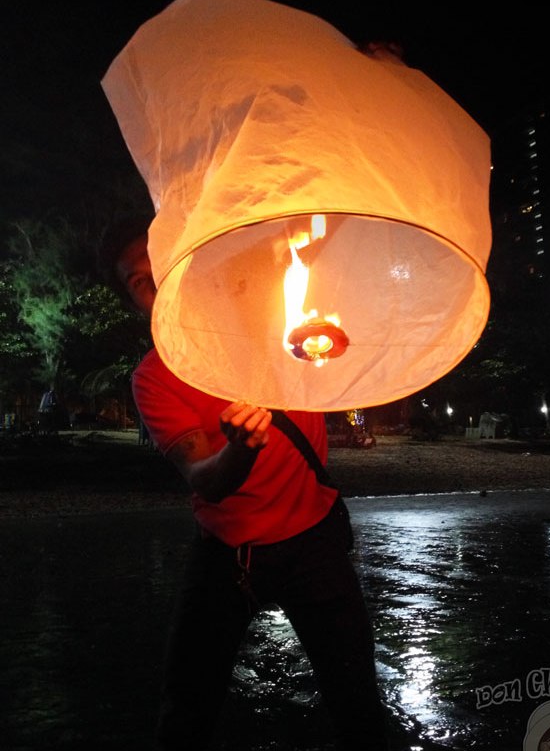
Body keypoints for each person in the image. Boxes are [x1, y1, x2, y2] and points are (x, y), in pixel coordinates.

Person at [113, 227, 389, 750]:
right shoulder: (153, 377)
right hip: (228, 555)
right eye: (142, 283)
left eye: (166, 266)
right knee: (187, 705)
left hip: (315, 542)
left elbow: (335, 349)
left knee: (356, 698)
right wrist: (241, 446)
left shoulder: (277, 324)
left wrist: (333, 339)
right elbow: (205, 482)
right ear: (135, 305)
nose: (162, 286)